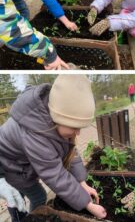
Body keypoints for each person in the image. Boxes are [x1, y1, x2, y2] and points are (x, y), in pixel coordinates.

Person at [0, 75, 107, 220]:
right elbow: (55, 175)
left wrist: (82, 182)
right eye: (75, 127)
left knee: (25, 193)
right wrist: (89, 205)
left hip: (22, 163)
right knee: (31, 197)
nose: (78, 133)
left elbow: (70, 152)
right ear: (58, 118)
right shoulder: (36, 134)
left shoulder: (53, 119)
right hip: (10, 166)